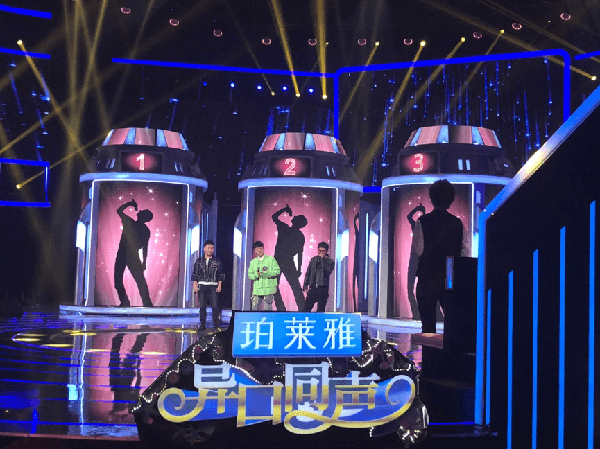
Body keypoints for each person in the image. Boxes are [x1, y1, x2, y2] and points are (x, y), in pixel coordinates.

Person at [411, 180, 469, 333]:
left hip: (427, 277)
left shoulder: (422, 222)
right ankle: (450, 349)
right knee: (453, 324)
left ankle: (428, 349)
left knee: (427, 325)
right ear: (451, 199)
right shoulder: (458, 223)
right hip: (449, 278)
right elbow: (465, 252)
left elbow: (419, 251)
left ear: (432, 198)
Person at [114, 199, 153, 307]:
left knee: (121, 280)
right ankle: (145, 303)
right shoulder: (143, 229)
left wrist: (130, 204)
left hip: (125, 254)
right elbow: (144, 248)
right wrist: (143, 262)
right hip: (128, 254)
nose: (140, 211)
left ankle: (129, 302)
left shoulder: (129, 222)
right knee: (138, 281)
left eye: (143, 212)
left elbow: (119, 210)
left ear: (144, 217)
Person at [272, 204, 307, 311]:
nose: (294, 216)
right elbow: (300, 254)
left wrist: (284, 209)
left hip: (279, 261)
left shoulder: (284, 228)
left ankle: (282, 308)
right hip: (286, 262)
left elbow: (274, 217)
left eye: (296, 217)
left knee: (274, 286)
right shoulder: (299, 235)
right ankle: (302, 308)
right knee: (294, 286)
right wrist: (299, 269)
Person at [192, 240, 225, 331]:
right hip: (202, 285)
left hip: (213, 285)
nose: (210, 250)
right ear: (204, 249)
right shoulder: (199, 261)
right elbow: (195, 274)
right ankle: (202, 324)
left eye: (212, 248)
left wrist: (219, 285)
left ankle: (216, 324)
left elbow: (221, 274)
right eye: (209, 248)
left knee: (215, 306)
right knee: (202, 306)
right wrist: (195, 285)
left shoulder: (217, 261)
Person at [247, 241, 281, 311]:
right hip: (257, 289)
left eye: (261, 248)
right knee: (254, 309)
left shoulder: (271, 259)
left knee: (267, 309)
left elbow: (277, 271)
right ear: (254, 251)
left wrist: (267, 273)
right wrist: (257, 274)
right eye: (257, 249)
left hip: (268, 289)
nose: (260, 250)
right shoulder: (253, 262)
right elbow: (250, 275)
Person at [302, 242, 335, 312]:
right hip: (313, 288)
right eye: (320, 251)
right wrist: (305, 285)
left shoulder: (330, 261)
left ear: (326, 251)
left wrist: (322, 260)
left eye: (323, 251)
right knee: (306, 309)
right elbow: (308, 273)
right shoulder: (313, 260)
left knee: (320, 310)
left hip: (323, 288)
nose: (321, 253)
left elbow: (327, 272)